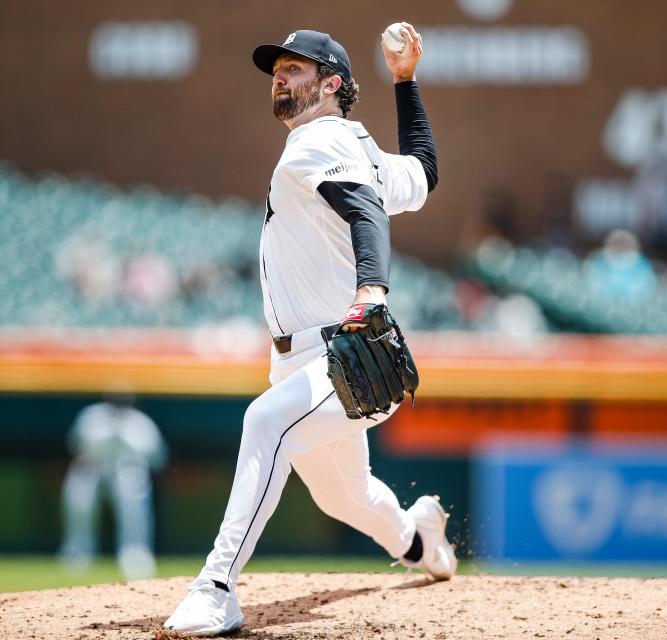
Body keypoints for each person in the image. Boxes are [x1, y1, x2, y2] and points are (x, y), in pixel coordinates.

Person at [164, 24, 456, 636]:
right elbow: (424, 173)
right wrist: (405, 83)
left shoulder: (317, 142)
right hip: (306, 357)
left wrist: (373, 288)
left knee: (264, 421)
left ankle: (216, 587)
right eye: (278, 67)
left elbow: (366, 209)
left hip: (339, 351)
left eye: (296, 68)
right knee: (343, 498)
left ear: (331, 85)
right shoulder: (358, 146)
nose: (280, 74)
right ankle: (421, 541)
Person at [58, 392, 168, 580]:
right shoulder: (92, 416)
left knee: (133, 500)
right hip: (93, 467)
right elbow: (75, 445)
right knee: (80, 497)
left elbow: (158, 458)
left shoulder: (141, 422)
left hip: (126, 470)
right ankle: (78, 552)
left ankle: (135, 554)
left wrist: (125, 439)